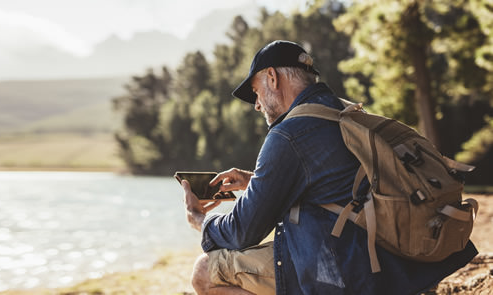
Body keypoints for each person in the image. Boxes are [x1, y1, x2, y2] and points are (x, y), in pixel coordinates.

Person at [179, 40, 478, 295]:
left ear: (272, 77)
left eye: (255, 92)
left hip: (344, 274)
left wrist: (200, 220)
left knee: (205, 271)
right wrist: (255, 180)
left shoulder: (288, 135)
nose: (256, 105)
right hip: (393, 263)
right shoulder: (342, 112)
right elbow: (333, 184)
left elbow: (243, 231)